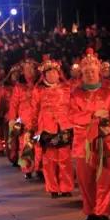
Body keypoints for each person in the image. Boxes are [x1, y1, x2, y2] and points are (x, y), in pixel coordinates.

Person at [69, 48, 110, 220]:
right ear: (82, 74)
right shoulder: (76, 94)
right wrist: (93, 117)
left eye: (93, 71)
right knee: (85, 179)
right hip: (83, 143)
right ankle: (90, 211)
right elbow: (72, 115)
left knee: (105, 178)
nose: (90, 74)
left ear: (99, 72)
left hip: (106, 142)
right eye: (86, 72)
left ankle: (103, 212)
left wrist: (108, 127)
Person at [31, 59, 74, 198]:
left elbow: (72, 107)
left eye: (54, 72)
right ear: (44, 75)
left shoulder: (66, 88)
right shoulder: (38, 90)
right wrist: (31, 128)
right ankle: (53, 188)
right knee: (49, 161)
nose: (52, 75)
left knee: (65, 159)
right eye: (48, 73)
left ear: (58, 74)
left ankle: (66, 187)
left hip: (64, 126)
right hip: (46, 128)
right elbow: (34, 110)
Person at [8, 59, 42, 179]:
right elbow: (14, 104)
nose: (29, 71)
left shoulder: (41, 85)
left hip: (39, 120)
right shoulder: (19, 87)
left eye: (32, 69)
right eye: (27, 69)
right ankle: (27, 168)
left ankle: (39, 168)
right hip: (24, 120)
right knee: (25, 144)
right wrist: (13, 119)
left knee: (38, 145)